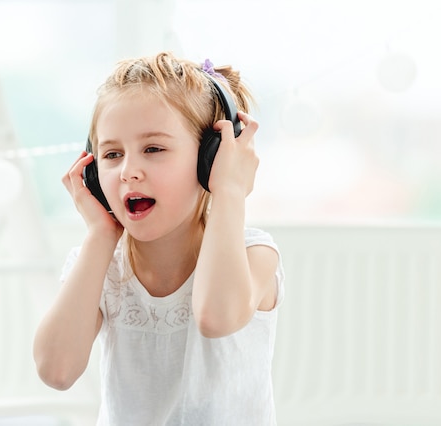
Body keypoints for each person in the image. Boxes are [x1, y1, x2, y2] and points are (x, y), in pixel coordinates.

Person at [33, 51, 285, 425]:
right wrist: (101, 235)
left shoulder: (254, 256)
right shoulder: (101, 266)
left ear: (211, 160)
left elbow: (216, 318)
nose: (128, 172)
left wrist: (230, 190)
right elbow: (56, 371)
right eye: (112, 154)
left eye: (154, 149)